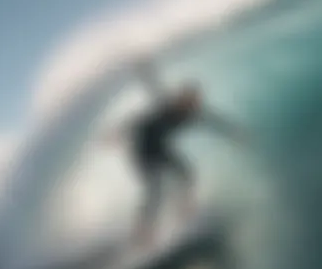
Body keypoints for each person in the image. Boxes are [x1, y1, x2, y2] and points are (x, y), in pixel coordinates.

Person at [102, 59, 249, 247]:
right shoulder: (167, 105)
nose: (190, 104)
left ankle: (184, 210)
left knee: (187, 173)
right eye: (187, 100)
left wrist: (235, 133)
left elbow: (215, 122)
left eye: (193, 102)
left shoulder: (194, 113)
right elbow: (150, 89)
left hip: (160, 147)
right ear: (181, 99)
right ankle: (143, 232)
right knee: (155, 189)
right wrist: (116, 134)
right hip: (141, 148)